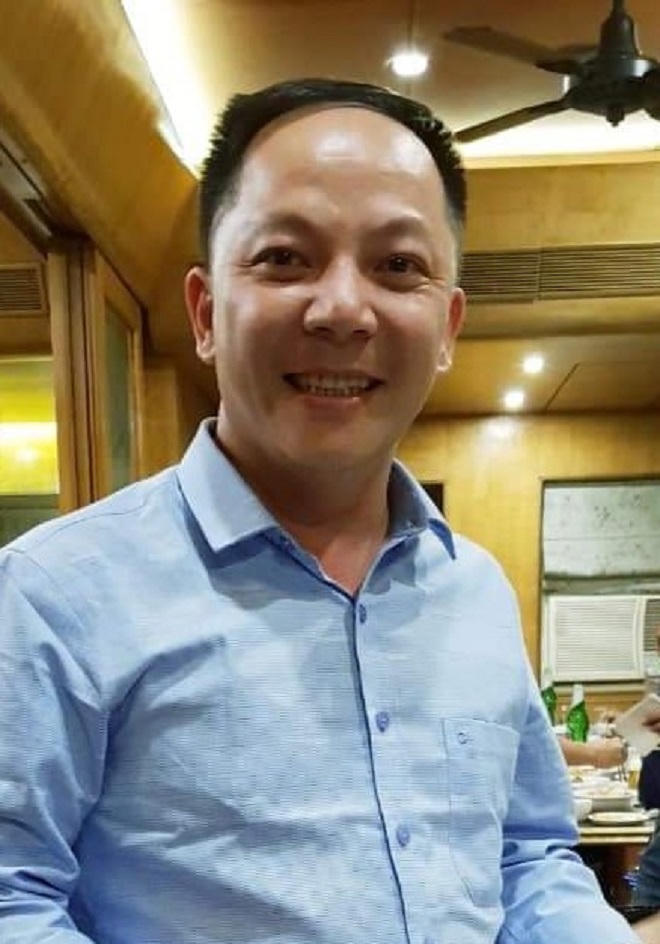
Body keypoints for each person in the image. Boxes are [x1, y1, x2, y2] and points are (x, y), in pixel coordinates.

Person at [0, 78, 640, 944]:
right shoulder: (54, 594)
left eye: (398, 266)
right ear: (205, 314)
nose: (342, 309)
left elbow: (524, 856)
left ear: (448, 328)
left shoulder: (477, 591)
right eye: (285, 258)